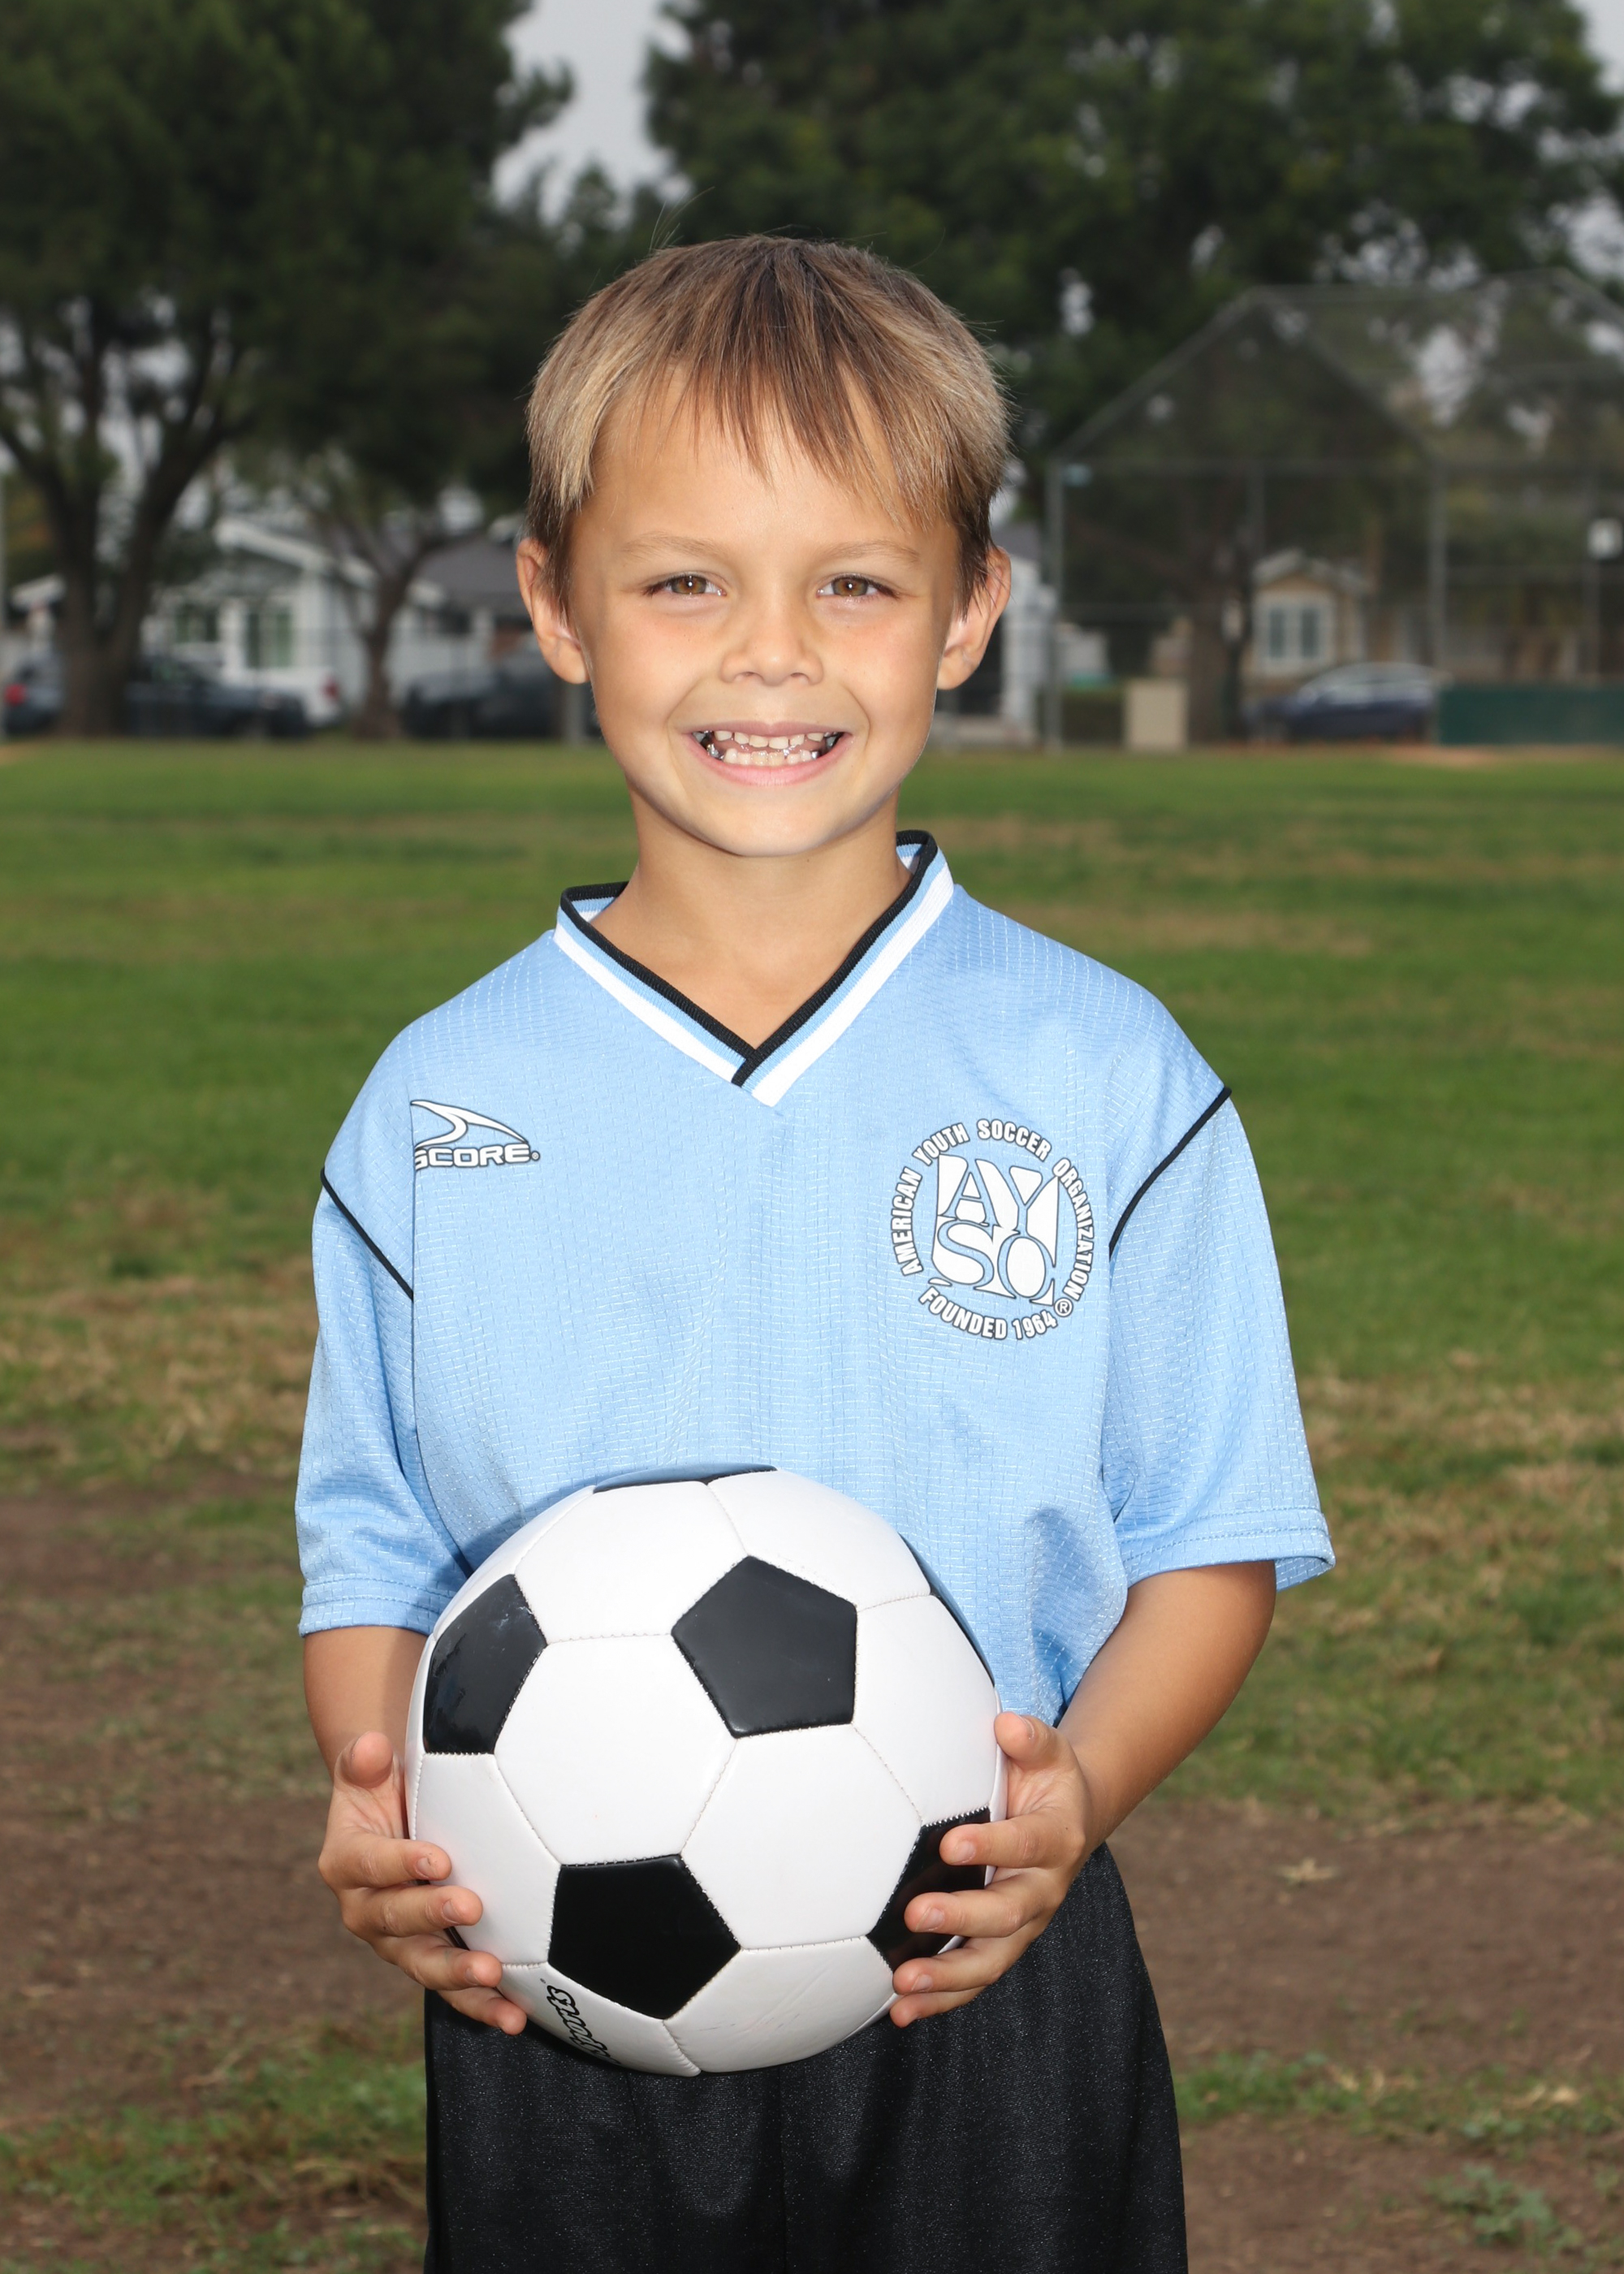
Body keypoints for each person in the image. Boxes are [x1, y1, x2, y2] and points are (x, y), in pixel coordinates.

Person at [297, 237, 1332, 2273]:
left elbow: (1208, 1539)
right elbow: (377, 1555)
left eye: (851, 583)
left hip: (980, 1958)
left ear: (968, 612)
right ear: (553, 606)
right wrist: (388, 1804)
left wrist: (1077, 1794)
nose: (769, 656)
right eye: (686, 581)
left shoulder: (1106, 1073)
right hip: (555, 1970)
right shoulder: (436, 1104)